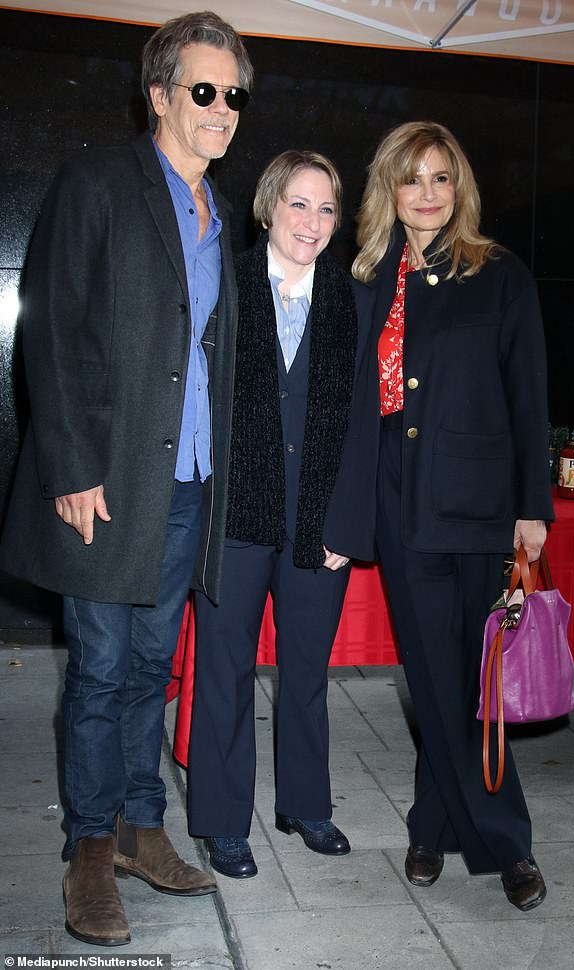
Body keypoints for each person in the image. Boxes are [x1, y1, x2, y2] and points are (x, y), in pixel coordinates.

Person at [0, 10, 253, 946]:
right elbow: (52, 326)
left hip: (187, 478)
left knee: (153, 665)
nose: (221, 108)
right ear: (159, 95)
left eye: (233, 93)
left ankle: (145, 827)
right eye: (203, 90)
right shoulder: (100, 182)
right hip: (104, 481)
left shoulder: (218, 213)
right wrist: (69, 464)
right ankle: (90, 851)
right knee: (102, 670)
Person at [351, 121, 554, 911]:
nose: (427, 194)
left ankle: (433, 824)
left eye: (441, 178)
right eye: (412, 178)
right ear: (389, 190)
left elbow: (528, 398)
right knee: (435, 676)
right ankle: (508, 846)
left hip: (482, 508)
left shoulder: (500, 275)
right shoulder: (371, 276)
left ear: (459, 188)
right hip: (402, 504)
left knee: (477, 684)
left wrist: (532, 509)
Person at [187, 150, 377, 879]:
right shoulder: (223, 284)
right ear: (269, 207)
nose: (313, 221)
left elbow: (365, 426)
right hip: (234, 512)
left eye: (327, 208)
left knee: (306, 669)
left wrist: (346, 527)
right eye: (299, 204)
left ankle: (306, 803)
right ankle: (222, 820)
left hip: (319, 525)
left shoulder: (350, 298)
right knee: (224, 668)